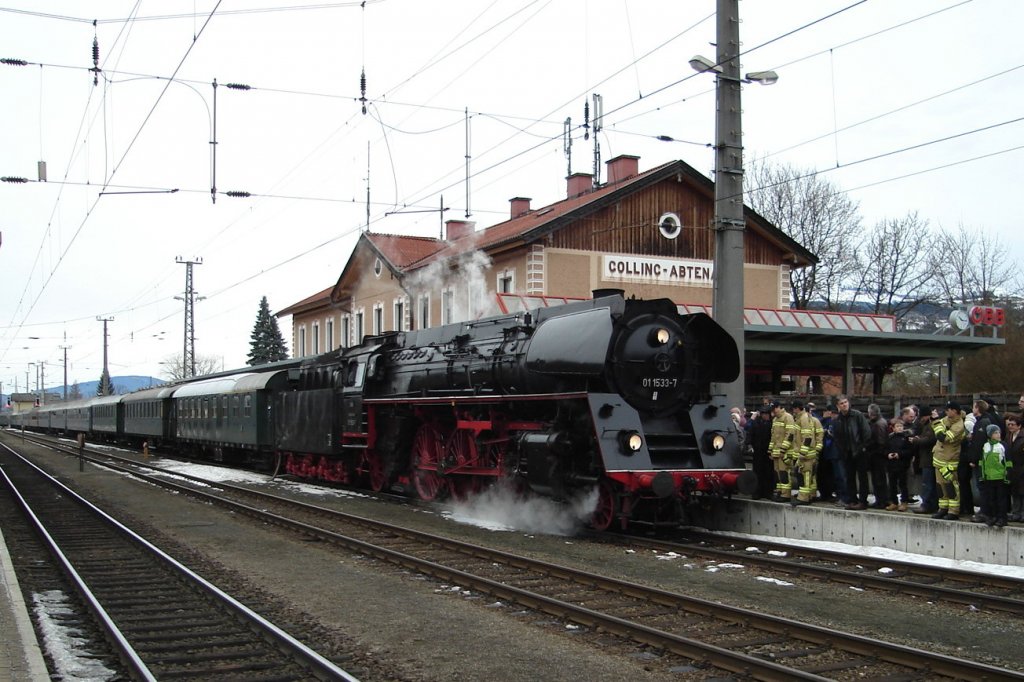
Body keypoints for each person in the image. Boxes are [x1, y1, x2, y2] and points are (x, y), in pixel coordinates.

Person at [833, 395, 871, 510]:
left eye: (845, 402)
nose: (844, 405)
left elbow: (866, 433)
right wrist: (842, 450)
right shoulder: (838, 420)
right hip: (847, 452)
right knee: (849, 477)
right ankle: (852, 499)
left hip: (859, 451)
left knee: (862, 477)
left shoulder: (857, 415)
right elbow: (837, 437)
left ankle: (863, 501)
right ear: (838, 406)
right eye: (841, 403)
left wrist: (862, 448)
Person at [931, 400, 967, 520]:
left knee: (951, 486)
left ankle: (953, 511)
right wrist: (938, 425)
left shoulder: (959, 426)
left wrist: (936, 422)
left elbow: (943, 437)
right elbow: (937, 429)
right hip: (939, 458)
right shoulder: (946, 419)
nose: (945, 412)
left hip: (949, 460)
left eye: (948, 410)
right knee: (940, 486)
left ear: (954, 411)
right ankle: (943, 508)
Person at [963, 399, 993, 521]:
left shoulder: (982, 423)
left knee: (982, 486)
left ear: (978, 409)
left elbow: (978, 443)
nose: (972, 409)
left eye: (974, 407)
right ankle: (985, 511)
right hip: (983, 460)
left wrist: (973, 460)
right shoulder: (984, 421)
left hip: (981, 461)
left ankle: (985, 512)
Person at [976, 424, 1012, 527]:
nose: (998, 434)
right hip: (989, 478)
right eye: (995, 433)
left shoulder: (1002, 446)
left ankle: (1002, 518)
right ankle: (993, 517)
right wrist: (982, 475)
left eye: (999, 432)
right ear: (990, 435)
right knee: (991, 499)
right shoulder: (985, 446)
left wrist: (1007, 476)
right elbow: (981, 462)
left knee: (1001, 499)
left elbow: (1008, 462)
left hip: (1000, 477)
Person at [790, 401, 824, 505]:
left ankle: (804, 497)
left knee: (805, 475)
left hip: (806, 455)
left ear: (797, 408)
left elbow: (808, 437)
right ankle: (809, 494)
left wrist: (803, 453)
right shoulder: (801, 418)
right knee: (808, 476)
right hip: (806, 453)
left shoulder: (804, 418)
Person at [909, 407, 939, 514]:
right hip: (927, 458)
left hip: (929, 459)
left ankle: (927, 504)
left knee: (928, 483)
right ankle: (932, 504)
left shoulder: (931, 425)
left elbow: (929, 439)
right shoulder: (926, 425)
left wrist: (916, 440)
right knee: (929, 483)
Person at [817, 404, 848, 505]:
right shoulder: (830, 422)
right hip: (831, 454)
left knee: (840, 476)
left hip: (837, 453)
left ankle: (844, 497)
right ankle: (839, 496)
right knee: (835, 476)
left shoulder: (838, 423)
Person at [768, 399, 798, 502]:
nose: (773, 412)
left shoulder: (788, 417)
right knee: (778, 473)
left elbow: (789, 435)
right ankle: (780, 491)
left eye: (774, 409)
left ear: (779, 407)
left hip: (784, 452)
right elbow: (773, 437)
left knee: (784, 472)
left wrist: (783, 449)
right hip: (776, 452)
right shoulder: (775, 420)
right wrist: (770, 450)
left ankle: (786, 494)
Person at [884, 419, 914, 511]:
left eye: (901, 426)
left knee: (902, 484)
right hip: (891, 465)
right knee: (892, 484)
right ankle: (894, 502)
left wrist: (899, 454)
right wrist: (888, 455)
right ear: (893, 428)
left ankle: (904, 502)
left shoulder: (906, 438)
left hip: (902, 465)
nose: (900, 428)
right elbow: (885, 449)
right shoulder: (890, 438)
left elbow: (910, 452)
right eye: (897, 426)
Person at [865, 404, 890, 509]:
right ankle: (881, 500)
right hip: (878, 454)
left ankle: (881, 501)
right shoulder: (879, 422)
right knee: (878, 479)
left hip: (878, 455)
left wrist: (871, 449)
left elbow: (880, 441)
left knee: (879, 479)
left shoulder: (878, 424)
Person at [748, 404, 775, 500]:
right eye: (763, 414)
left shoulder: (772, 424)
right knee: (758, 472)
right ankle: (757, 492)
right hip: (758, 451)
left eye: (766, 414)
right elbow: (750, 434)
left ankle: (768, 492)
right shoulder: (756, 423)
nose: (765, 416)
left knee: (769, 472)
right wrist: (750, 444)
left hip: (768, 451)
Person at [1006, 413, 1024, 521]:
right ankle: (1016, 512)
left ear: (1019, 426)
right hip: (1012, 470)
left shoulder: (1022, 438)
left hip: (1021, 468)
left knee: (1022, 492)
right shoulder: (1008, 436)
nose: (1010, 427)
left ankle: (1022, 513)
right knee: (1015, 492)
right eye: (1009, 425)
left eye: (1012, 425)